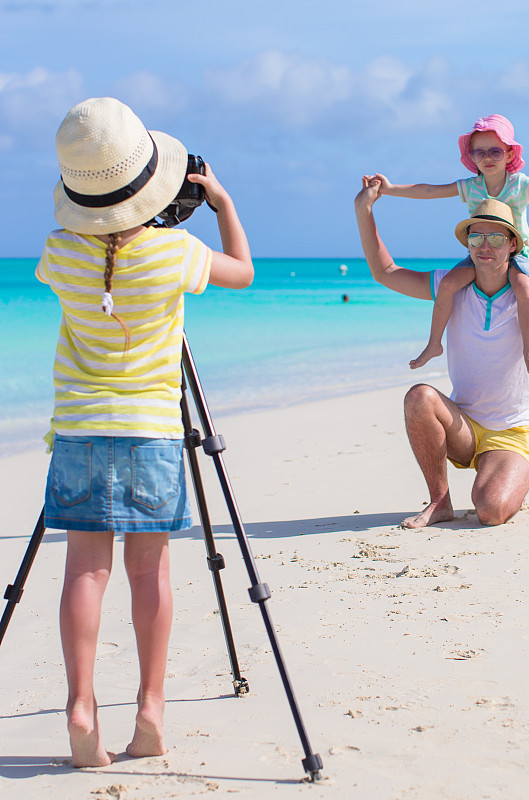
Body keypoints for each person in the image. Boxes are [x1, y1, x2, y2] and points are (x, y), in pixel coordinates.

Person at [36, 97, 253, 767]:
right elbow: (243, 272)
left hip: (79, 428)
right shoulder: (174, 252)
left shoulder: (58, 253)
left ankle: (80, 706)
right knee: (149, 570)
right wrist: (221, 204)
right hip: (152, 431)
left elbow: (95, 255)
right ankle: (152, 710)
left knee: (84, 568)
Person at [354, 166, 529, 530]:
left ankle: (502, 471)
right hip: (464, 424)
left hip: (513, 431)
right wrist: (364, 211)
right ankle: (439, 502)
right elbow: (385, 272)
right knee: (419, 397)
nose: (484, 246)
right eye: (476, 238)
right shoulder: (450, 288)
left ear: (513, 244)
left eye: (496, 239)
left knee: (490, 511)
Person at [365, 114, 529, 374]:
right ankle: (434, 344)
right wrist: (391, 188)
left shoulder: (519, 185)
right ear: (472, 157)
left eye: (496, 151)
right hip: (482, 252)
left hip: (518, 253)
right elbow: (431, 190)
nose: (487, 157)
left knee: (523, 287)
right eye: (479, 152)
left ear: (510, 155)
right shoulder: (471, 187)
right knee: (447, 286)